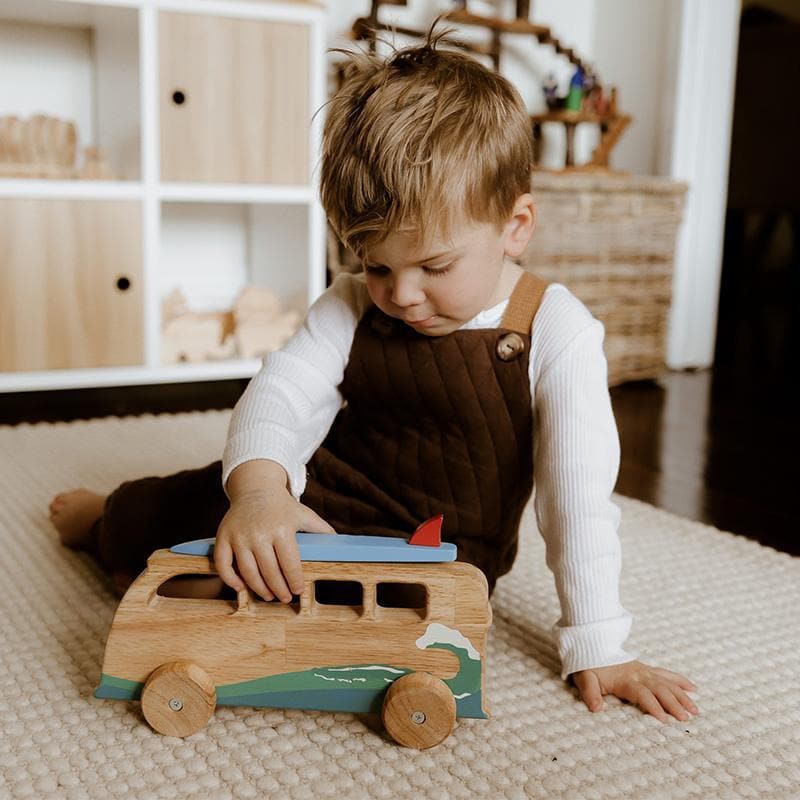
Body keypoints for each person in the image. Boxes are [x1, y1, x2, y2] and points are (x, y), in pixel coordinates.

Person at [50, 32, 698, 724]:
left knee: (304, 610)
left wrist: (598, 645)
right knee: (188, 505)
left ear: (516, 226)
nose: (404, 294)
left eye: (435, 267)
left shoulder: (556, 331)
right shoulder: (350, 304)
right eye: (378, 265)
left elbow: (577, 501)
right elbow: (282, 392)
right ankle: (108, 522)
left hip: (436, 550)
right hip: (311, 498)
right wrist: (262, 491)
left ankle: (195, 580)